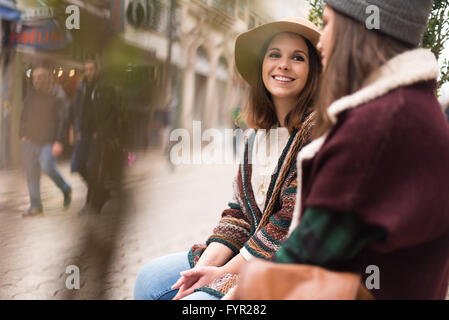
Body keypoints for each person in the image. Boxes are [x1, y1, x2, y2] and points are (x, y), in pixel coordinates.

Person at [239, 0, 449, 300]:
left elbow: (292, 269)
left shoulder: (379, 127)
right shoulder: (409, 109)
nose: (320, 43)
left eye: (326, 24)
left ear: (357, 27)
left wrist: (228, 290)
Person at [134, 17, 322, 300]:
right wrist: (204, 268)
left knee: (197, 303)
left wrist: (222, 274)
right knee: (149, 279)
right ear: (262, 66)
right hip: (244, 252)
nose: (283, 64)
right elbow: (239, 213)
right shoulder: (253, 138)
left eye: (298, 57)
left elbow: (287, 225)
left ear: (312, 71)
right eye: (275, 54)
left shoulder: (316, 132)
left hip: (284, 266)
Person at [19, 65, 72, 217]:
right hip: (30, 140)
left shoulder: (58, 96)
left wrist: (59, 141)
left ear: (48, 78)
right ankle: (36, 206)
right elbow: (24, 115)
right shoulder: (31, 95)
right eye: (34, 78)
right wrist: (22, 134)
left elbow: (62, 120)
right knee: (31, 172)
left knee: (47, 166)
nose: (36, 81)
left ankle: (65, 188)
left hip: (49, 140)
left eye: (40, 78)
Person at [70, 60, 120, 215]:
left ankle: (90, 204)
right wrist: (75, 128)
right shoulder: (81, 87)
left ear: (97, 70)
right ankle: (101, 193)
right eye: (86, 69)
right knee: (77, 165)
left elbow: (114, 112)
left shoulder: (107, 88)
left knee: (93, 170)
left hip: (97, 136)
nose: (88, 72)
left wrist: (102, 131)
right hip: (83, 134)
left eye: (91, 69)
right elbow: (76, 108)